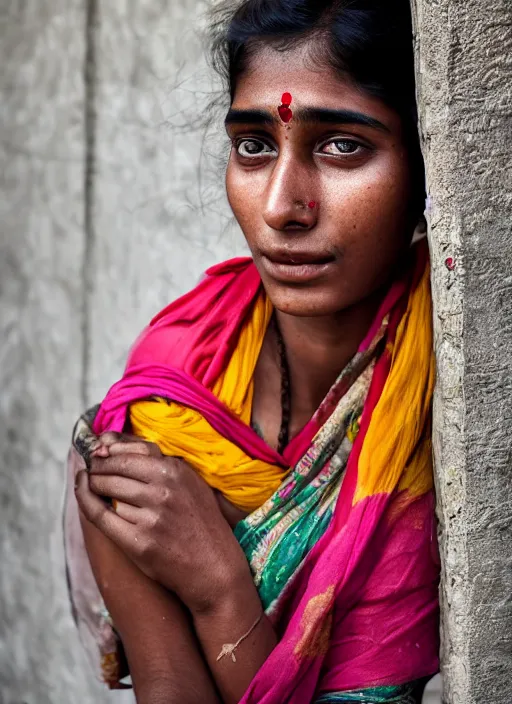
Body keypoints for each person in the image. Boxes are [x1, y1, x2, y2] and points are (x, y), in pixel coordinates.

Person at [64, 0, 440, 702]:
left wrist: (218, 592)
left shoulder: (450, 407)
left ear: (426, 171)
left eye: (342, 146)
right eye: (254, 146)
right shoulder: (166, 405)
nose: (280, 207)